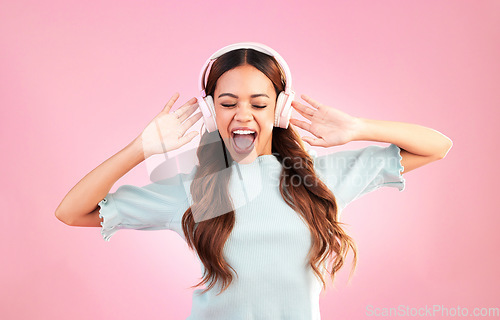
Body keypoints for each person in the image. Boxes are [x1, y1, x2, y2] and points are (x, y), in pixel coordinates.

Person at [55, 42, 452, 319]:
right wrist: (141, 148)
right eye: (228, 104)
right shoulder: (191, 190)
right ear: (212, 113)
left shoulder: (318, 179)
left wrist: (359, 127)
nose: (243, 115)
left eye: (259, 104)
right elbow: (71, 212)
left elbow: (437, 146)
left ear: (279, 109)